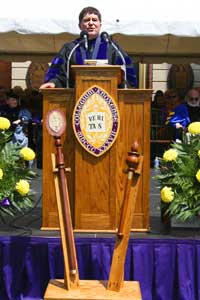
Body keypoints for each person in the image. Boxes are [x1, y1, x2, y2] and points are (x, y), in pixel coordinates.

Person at [40, 6, 137, 89]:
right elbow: (57, 70)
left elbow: (127, 69)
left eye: (94, 20)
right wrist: (53, 82)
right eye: (86, 20)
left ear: (100, 25)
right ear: (80, 25)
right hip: (76, 99)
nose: (91, 23)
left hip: (107, 100)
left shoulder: (112, 47)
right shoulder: (70, 49)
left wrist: (128, 88)